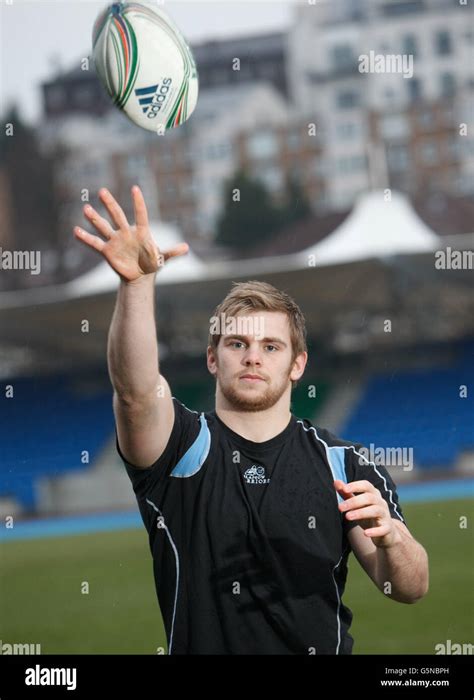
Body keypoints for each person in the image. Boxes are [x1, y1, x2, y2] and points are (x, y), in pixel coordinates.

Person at [74, 185, 429, 655]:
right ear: (212, 360)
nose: (252, 358)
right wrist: (137, 287)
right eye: (237, 344)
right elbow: (136, 394)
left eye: (271, 346)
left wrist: (392, 540)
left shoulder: (345, 467)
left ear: (297, 364)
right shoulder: (180, 448)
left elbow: (409, 586)